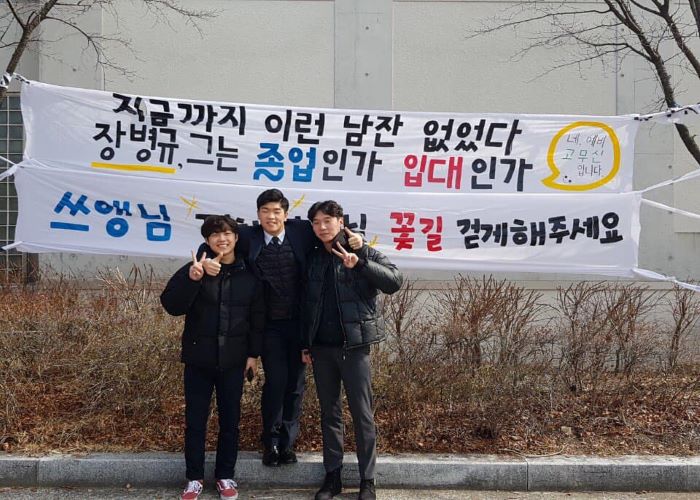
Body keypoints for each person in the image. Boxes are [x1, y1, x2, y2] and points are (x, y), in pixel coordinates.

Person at [200, 189, 363, 467]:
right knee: (276, 382)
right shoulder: (248, 236)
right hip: (269, 325)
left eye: (277, 211)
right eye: (265, 211)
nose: (271, 217)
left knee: (296, 385)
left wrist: (356, 240)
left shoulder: (302, 231)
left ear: (286, 214)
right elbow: (216, 240)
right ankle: (271, 443)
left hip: (301, 324)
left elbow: (332, 232)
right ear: (258, 214)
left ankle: (287, 443)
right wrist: (204, 259)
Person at [300, 200, 403, 500]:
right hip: (321, 349)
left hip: (354, 348)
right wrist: (306, 344)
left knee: (362, 414)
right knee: (329, 414)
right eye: (316, 222)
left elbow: (394, 281)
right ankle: (332, 477)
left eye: (327, 221)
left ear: (341, 222)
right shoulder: (313, 256)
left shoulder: (360, 248)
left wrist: (360, 261)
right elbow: (306, 305)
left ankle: (367, 480)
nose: (322, 227)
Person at [160, 215, 264, 500]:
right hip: (199, 358)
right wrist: (193, 278)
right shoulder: (195, 268)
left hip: (234, 359)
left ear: (236, 238)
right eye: (215, 235)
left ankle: (225, 475)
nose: (222, 239)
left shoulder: (248, 273)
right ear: (207, 240)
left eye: (228, 233)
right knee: (195, 421)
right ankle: (194, 478)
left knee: (230, 420)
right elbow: (171, 305)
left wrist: (253, 354)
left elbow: (257, 318)